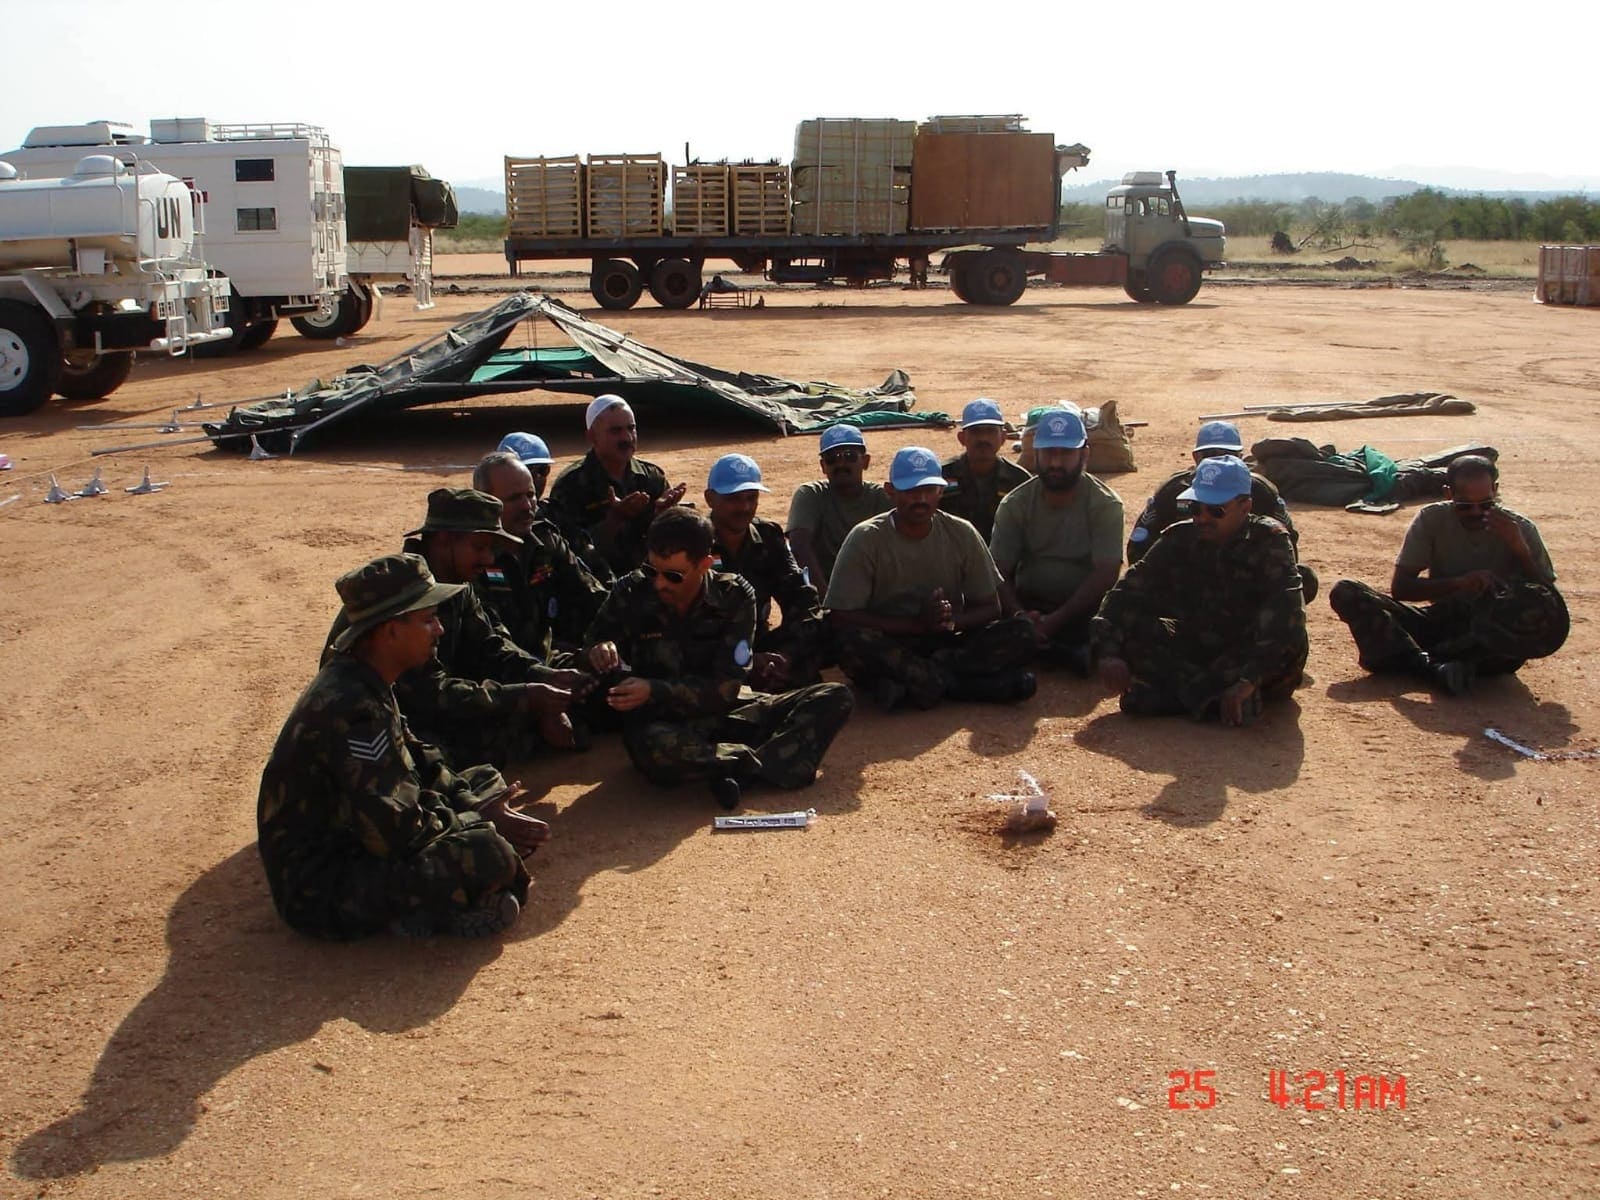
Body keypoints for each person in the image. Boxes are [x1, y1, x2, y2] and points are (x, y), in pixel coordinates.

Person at [260, 554, 550, 940]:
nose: (440, 629)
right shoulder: (351, 708)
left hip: (354, 841)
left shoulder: (366, 678)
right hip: (321, 887)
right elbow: (396, 830)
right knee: (486, 852)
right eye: (428, 619)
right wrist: (478, 824)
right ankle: (429, 914)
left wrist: (473, 804)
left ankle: (445, 900)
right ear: (390, 632)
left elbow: (419, 758)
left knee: (479, 780)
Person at [582, 508, 854, 809]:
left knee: (834, 696)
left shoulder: (735, 595)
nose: (659, 583)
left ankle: (732, 767)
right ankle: (762, 763)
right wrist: (600, 648)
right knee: (653, 748)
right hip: (665, 721)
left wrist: (654, 689)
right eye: (651, 570)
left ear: (705, 564)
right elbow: (594, 639)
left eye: (673, 575)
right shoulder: (631, 590)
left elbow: (727, 688)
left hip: (728, 708)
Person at [323, 489, 587, 769]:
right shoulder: (405, 594)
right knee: (437, 757)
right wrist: (526, 697)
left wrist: (544, 676)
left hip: (428, 702)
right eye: (479, 547)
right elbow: (431, 693)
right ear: (444, 540)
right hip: (380, 718)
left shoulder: (457, 584)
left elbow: (491, 646)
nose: (488, 559)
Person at [1091, 455, 1307, 726]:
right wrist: (1109, 652)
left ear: (1245, 506)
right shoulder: (1179, 537)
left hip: (1253, 656)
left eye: (1216, 510)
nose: (1203, 517)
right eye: (1195, 507)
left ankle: (1189, 697)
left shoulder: (1270, 540)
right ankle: (1208, 700)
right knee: (1136, 631)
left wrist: (1248, 680)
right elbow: (1125, 594)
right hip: (1203, 647)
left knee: (1285, 636)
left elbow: (1286, 617)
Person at [1328, 455, 1565, 694]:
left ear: (1495, 490)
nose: (1475, 513)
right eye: (1464, 506)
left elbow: (1550, 603)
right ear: (1448, 494)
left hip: (1489, 631)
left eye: (1485, 504)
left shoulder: (1520, 529)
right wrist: (1458, 584)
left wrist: (1520, 550)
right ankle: (1432, 667)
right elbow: (1401, 588)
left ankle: (1407, 658)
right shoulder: (1432, 520)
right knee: (1347, 591)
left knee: (1516, 641)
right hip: (1439, 619)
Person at [825, 446, 1037, 711]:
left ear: (941, 490)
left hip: (947, 642)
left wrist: (948, 622)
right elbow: (841, 616)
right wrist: (914, 625)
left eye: (928, 490)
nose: (921, 499)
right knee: (851, 643)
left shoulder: (962, 533)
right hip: (892, 641)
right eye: (911, 492)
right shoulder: (866, 538)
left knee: (1022, 631)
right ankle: (965, 686)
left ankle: (922, 683)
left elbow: (990, 606)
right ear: (890, 491)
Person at [989, 409, 1123, 672]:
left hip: (1082, 609)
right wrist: (1019, 615)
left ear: (1084, 454)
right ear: (1036, 454)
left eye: (1065, 453)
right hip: (1029, 605)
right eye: (1049, 453)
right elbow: (997, 571)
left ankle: (1047, 647)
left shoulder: (1105, 504)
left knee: (1121, 626)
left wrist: (1055, 621)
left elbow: (1106, 573)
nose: (1056, 463)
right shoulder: (1016, 503)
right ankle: (1056, 650)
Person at [1127, 419, 1318, 602]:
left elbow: (1288, 548)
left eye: (1226, 454)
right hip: (1189, 583)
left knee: (1302, 578)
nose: (1217, 461)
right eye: (1209, 454)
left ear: (1241, 458)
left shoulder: (1261, 492)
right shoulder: (1172, 491)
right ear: (1195, 457)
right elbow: (1139, 547)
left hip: (1243, 582)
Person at [472, 446, 608, 663]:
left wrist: (603, 642)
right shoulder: (472, 558)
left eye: (531, 495)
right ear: (484, 502)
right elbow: (490, 645)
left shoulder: (544, 540)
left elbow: (595, 598)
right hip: (502, 677)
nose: (527, 506)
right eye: (514, 498)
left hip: (550, 664)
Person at [704, 453, 827, 691]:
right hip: (711, 646)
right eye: (733, 499)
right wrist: (749, 662)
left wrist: (784, 656)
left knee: (824, 625)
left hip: (759, 640)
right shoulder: (695, 541)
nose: (744, 507)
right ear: (710, 499)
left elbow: (802, 598)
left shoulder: (769, 535)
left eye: (752, 497)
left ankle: (772, 675)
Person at [546, 395, 687, 578]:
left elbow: (668, 546)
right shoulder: (571, 485)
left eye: (631, 428)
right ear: (592, 436)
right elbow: (568, 553)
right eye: (616, 431)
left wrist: (661, 516)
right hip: (597, 586)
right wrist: (615, 520)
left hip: (648, 581)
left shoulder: (651, 478)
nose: (627, 438)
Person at [786, 425, 892, 593]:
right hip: (825, 586)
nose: (840, 463)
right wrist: (826, 599)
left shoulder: (881, 497)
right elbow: (799, 544)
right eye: (831, 459)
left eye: (849, 456)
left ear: (865, 461)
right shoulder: (811, 494)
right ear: (823, 466)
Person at [938, 397, 1032, 542]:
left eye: (990, 431)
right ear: (962, 438)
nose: (983, 438)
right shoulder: (941, 476)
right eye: (976, 432)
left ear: (1003, 438)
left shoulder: (1019, 480)